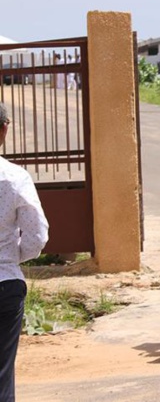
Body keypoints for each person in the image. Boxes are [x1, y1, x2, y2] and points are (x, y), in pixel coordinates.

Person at [0, 102, 49, 402]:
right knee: (2, 375)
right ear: (3, 130)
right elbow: (37, 235)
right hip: (5, 285)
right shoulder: (14, 178)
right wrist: (9, 260)